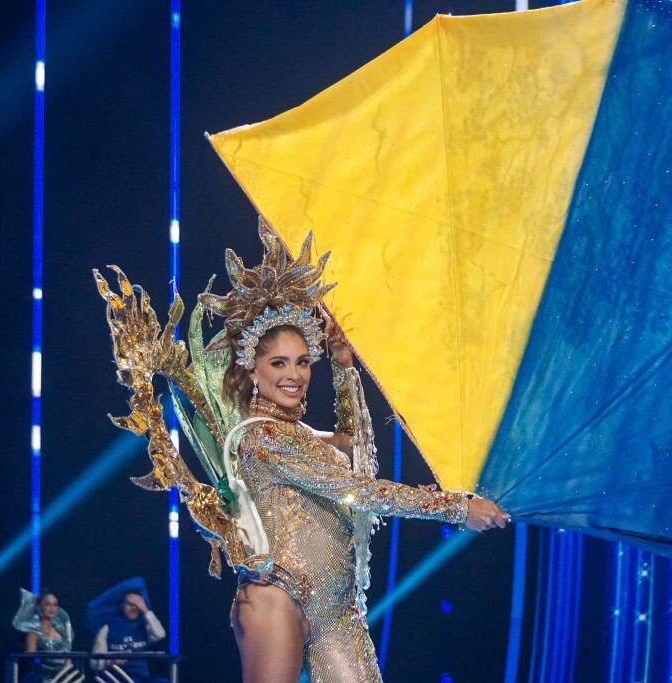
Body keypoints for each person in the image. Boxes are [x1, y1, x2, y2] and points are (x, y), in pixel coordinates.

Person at [194, 223, 510, 682]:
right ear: (253, 368)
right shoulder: (260, 439)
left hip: (337, 611)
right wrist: (456, 507)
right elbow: (356, 488)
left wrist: (344, 368)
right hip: (279, 596)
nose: (294, 375)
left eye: (303, 361)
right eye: (278, 363)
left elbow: (354, 448)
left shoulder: (299, 435)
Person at [87, 577, 166, 682]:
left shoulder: (144, 624)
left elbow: (160, 635)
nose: (134, 608)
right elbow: (94, 663)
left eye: (137, 605)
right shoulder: (107, 627)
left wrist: (146, 610)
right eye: (130, 604)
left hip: (140, 678)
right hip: (114, 678)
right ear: (122, 606)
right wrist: (111, 661)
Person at [12, 588, 83, 683]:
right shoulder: (34, 632)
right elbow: (30, 659)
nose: (52, 608)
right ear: (39, 607)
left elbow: (68, 656)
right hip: (43, 678)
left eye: (55, 605)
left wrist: (66, 673)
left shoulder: (61, 630)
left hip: (63, 677)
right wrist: (50, 671)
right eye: (47, 604)